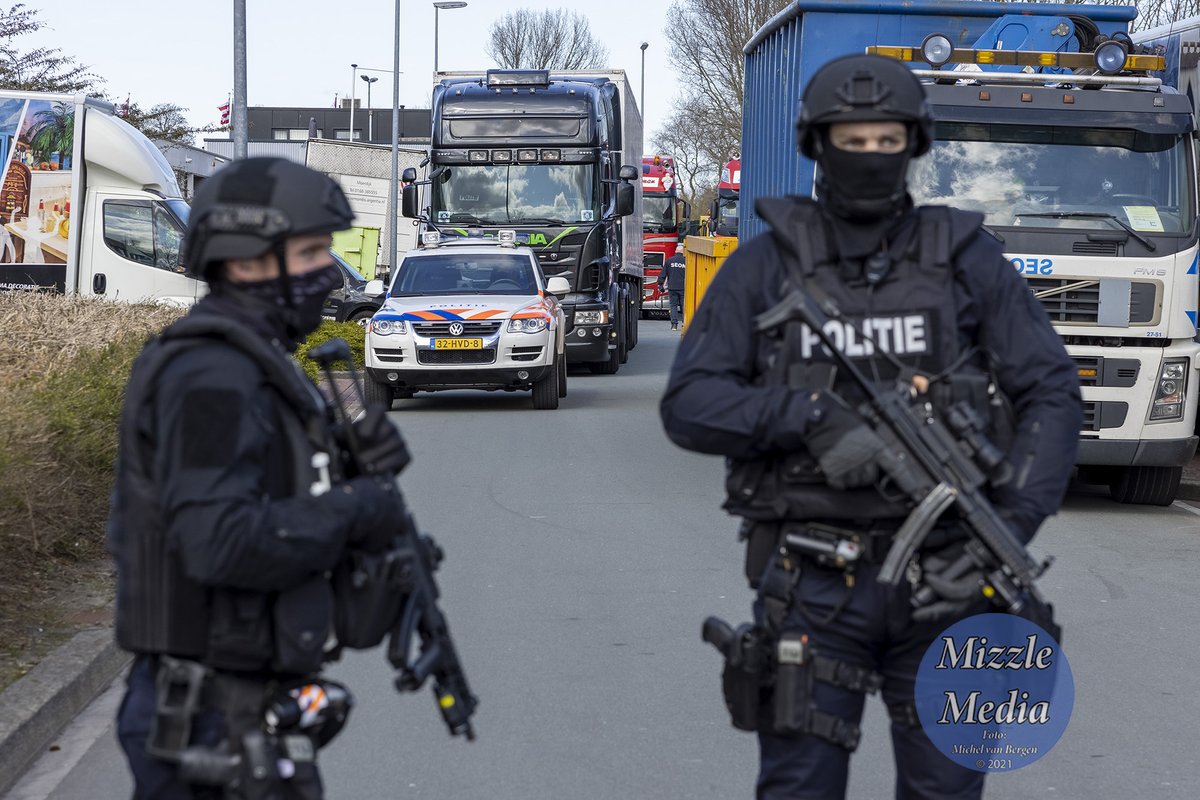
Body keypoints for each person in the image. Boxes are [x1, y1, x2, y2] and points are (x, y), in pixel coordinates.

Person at [659, 55, 1081, 800]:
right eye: (853, 140)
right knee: (800, 789)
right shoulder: (766, 267)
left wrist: (1008, 526)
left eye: (887, 141)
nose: (870, 157)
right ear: (817, 145)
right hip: (813, 589)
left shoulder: (964, 259)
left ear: (913, 146)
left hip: (956, 587)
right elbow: (689, 403)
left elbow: (1050, 389)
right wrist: (808, 417)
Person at [107, 157, 412, 799]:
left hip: (245, 705)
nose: (327, 272)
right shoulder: (209, 376)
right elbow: (222, 541)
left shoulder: (262, 361)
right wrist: (356, 510)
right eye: (308, 253)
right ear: (245, 262)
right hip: (207, 719)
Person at [658, 247, 686, 330]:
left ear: (675, 251)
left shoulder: (669, 261)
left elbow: (663, 274)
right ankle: (684, 323)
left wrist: (660, 284)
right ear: (683, 252)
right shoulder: (686, 261)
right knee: (683, 306)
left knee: (673, 306)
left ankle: (674, 324)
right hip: (683, 287)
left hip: (672, 287)